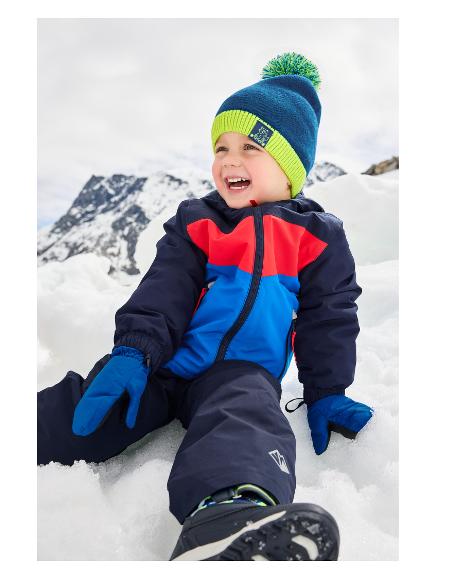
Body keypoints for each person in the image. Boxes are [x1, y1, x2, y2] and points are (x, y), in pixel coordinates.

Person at [37, 52, 373, 561]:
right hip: (165, 364)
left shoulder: (316, 236)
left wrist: (326, 390)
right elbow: (164, 289)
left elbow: (330, 314)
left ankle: (230, 516)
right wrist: (134, 352)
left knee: (245, 419)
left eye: (250, 146)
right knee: (95, 404)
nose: (228, 159)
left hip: (241, 373)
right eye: (220, 147)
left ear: (290, 165)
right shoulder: (199, 221)